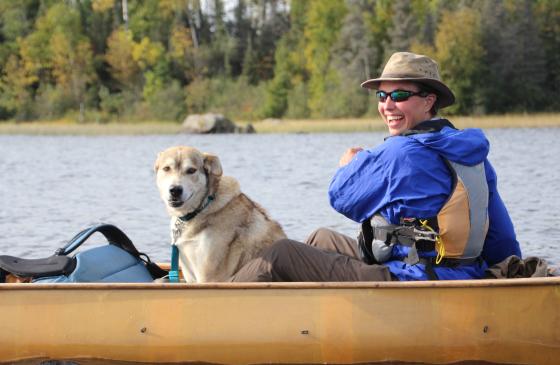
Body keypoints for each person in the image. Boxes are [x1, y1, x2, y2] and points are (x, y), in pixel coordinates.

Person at [231, 52, 521, 282]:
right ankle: (302, 319)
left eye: (399, 96)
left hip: (413, 280)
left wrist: (349, 165)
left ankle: (216, 310)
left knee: (283, 254)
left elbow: (341, 197)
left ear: (429, 101)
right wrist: (506, 277)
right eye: (382, 96)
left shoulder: (401, 150)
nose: (387, 105)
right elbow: (502, 239)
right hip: (461, 274)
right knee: (321, 237)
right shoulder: (473, 156)